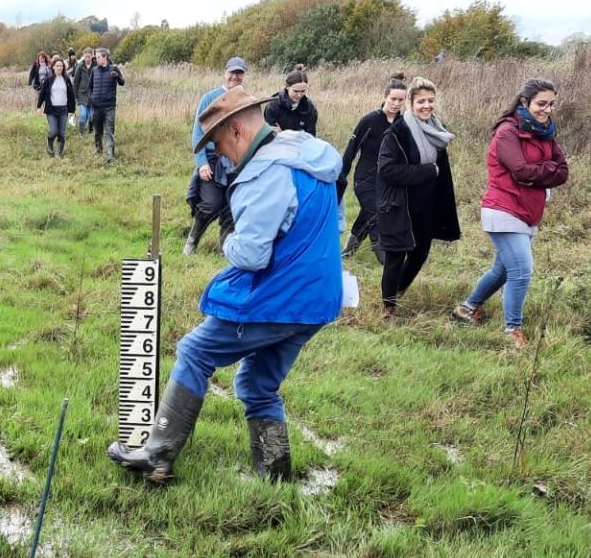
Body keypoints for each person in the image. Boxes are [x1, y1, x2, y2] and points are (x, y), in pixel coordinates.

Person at [107, 87, 343, 485]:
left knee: (195, 351)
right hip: (319, 297)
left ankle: (158, 454)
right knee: (257, 383)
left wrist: (227, 239)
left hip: (279, 298)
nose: (221, 157)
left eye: (218, 145)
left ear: (236, 131)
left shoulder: (265, 173)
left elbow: (251, 255)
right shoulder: (309, 155)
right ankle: (275, 476)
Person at [452, 79, 569, 346]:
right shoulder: (507, 132)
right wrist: (545, 172)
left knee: (503, 269)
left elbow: (562, 172)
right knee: (522, 270)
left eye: (551, 104)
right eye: (541, 104)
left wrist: (538, 175)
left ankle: (467, 309)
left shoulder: (545, 132)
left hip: (529, 210)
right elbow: (520, 170)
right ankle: (511, 331)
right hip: (503, 209)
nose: (547, 109)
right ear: (525, 103)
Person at [375, 76, 461, 318]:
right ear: (410, 103)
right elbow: (387, 170)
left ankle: (398, 293)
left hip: (426, 206)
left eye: (431, 101)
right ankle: (388, 309)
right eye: (421, 101)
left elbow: (442, 172)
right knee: (395, 257)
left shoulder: (437, 130)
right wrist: (427, 171)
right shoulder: (398, 133)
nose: (427, 106)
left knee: (420, 254)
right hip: (399, 207)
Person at [337, 73, 408, 262]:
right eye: (393, 99)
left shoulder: (404, 125)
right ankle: (386, 260)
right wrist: (340, 179)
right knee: (377, 216)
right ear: (385, 97)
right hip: (364, 180)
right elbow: (351, 151)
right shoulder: (369, 121)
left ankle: (346, 252)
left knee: (367, 215)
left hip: (387, 183)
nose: (396, 103)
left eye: (401, 100)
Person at [183, 57, 245, 254]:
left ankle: (224, 249)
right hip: (212, 159)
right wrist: (202, 163)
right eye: (232, 73)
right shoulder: (210, 98)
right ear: (225, 73)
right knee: (211, 204)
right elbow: (197, 133)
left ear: (243, 76)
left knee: (232, 206)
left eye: (239, 73)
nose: (235, 77)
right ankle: (192, 239)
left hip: (236, 161)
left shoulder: (246, 101)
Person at [89, 47, 125, 162]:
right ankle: (98, 149)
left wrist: (117, 76)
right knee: (98, 131)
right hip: (96, 106)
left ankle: (110, 155)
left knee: (109, 131)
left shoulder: (113, 69)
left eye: (98, 57)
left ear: (105, 57)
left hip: (109, 106)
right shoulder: (94, 70)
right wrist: (91, 98)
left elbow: (122, 82)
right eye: (96, 57)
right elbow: (90, 86)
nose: (96, 59)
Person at [36, 57, 76, 156]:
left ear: (63, 68)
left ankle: (58, 154)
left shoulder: (66, 79)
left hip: (63, 110)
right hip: (51, 110)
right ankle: (50, 143)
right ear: (53, 67)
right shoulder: (48, 80)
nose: (59, 68)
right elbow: (42, 94)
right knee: (54, 131)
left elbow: (71, 94)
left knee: (61, 134)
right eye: (57, 66)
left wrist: (73, 109)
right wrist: (38, 107)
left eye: (61, 66)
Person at [263, 65, 318, 135]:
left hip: (300, 144)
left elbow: (311, 136)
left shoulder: (310, 108)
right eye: (296, 91)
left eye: (303, 91)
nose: (299, 95)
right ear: (287, 87)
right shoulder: (273, 105)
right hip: (277, 143)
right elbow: (269, 134)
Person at [72, 48, 95, 133]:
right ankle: (81, 133)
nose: (87, 59)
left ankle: (91, 131)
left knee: (92, 115)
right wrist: (75, 96)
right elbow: (75, 82)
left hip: (93, 94)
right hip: (82, 94)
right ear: (84, 57)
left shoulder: (95, 66)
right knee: (83, 114)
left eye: (89, 57)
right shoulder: (80, 67)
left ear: (92, 56)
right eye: (86, 57)